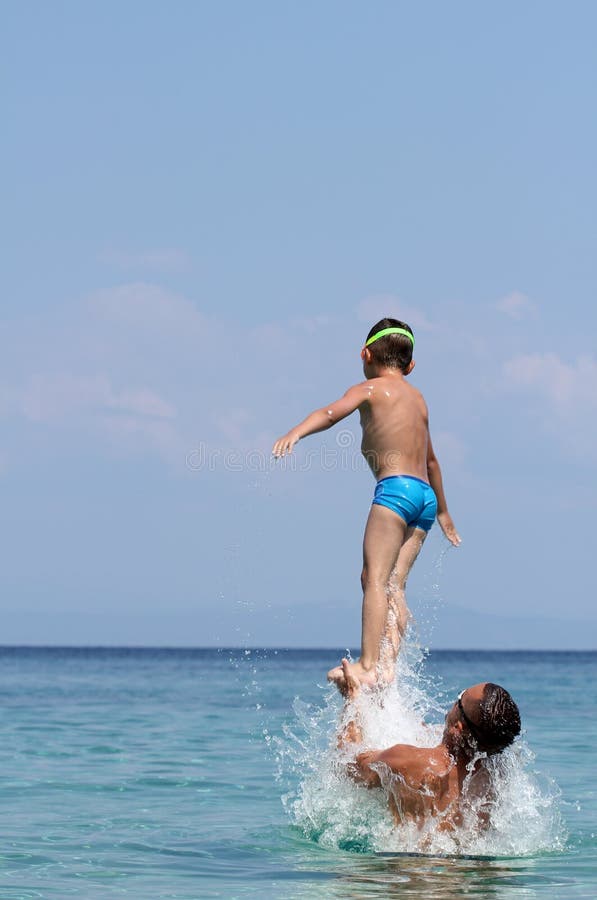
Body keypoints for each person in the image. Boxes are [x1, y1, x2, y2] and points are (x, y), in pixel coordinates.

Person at [272, 318, 460, 686]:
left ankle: (368, 665)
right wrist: (444, 512)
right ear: (410, 365)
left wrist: (295, 432)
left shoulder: (369, 389)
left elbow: (330, 414)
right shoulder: (419, 399)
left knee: (372, 578)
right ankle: (389, 665)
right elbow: (433, 460)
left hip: (395, 491)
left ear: (366, 353)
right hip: (424, 496)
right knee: (395, 585)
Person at [336, 659, 521, 833]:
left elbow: (348, 763)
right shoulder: (496, 776)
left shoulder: (407, 761)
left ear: (458, 727)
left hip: (411, 865)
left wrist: (352, 697)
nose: (454, 702)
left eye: (460, 697)